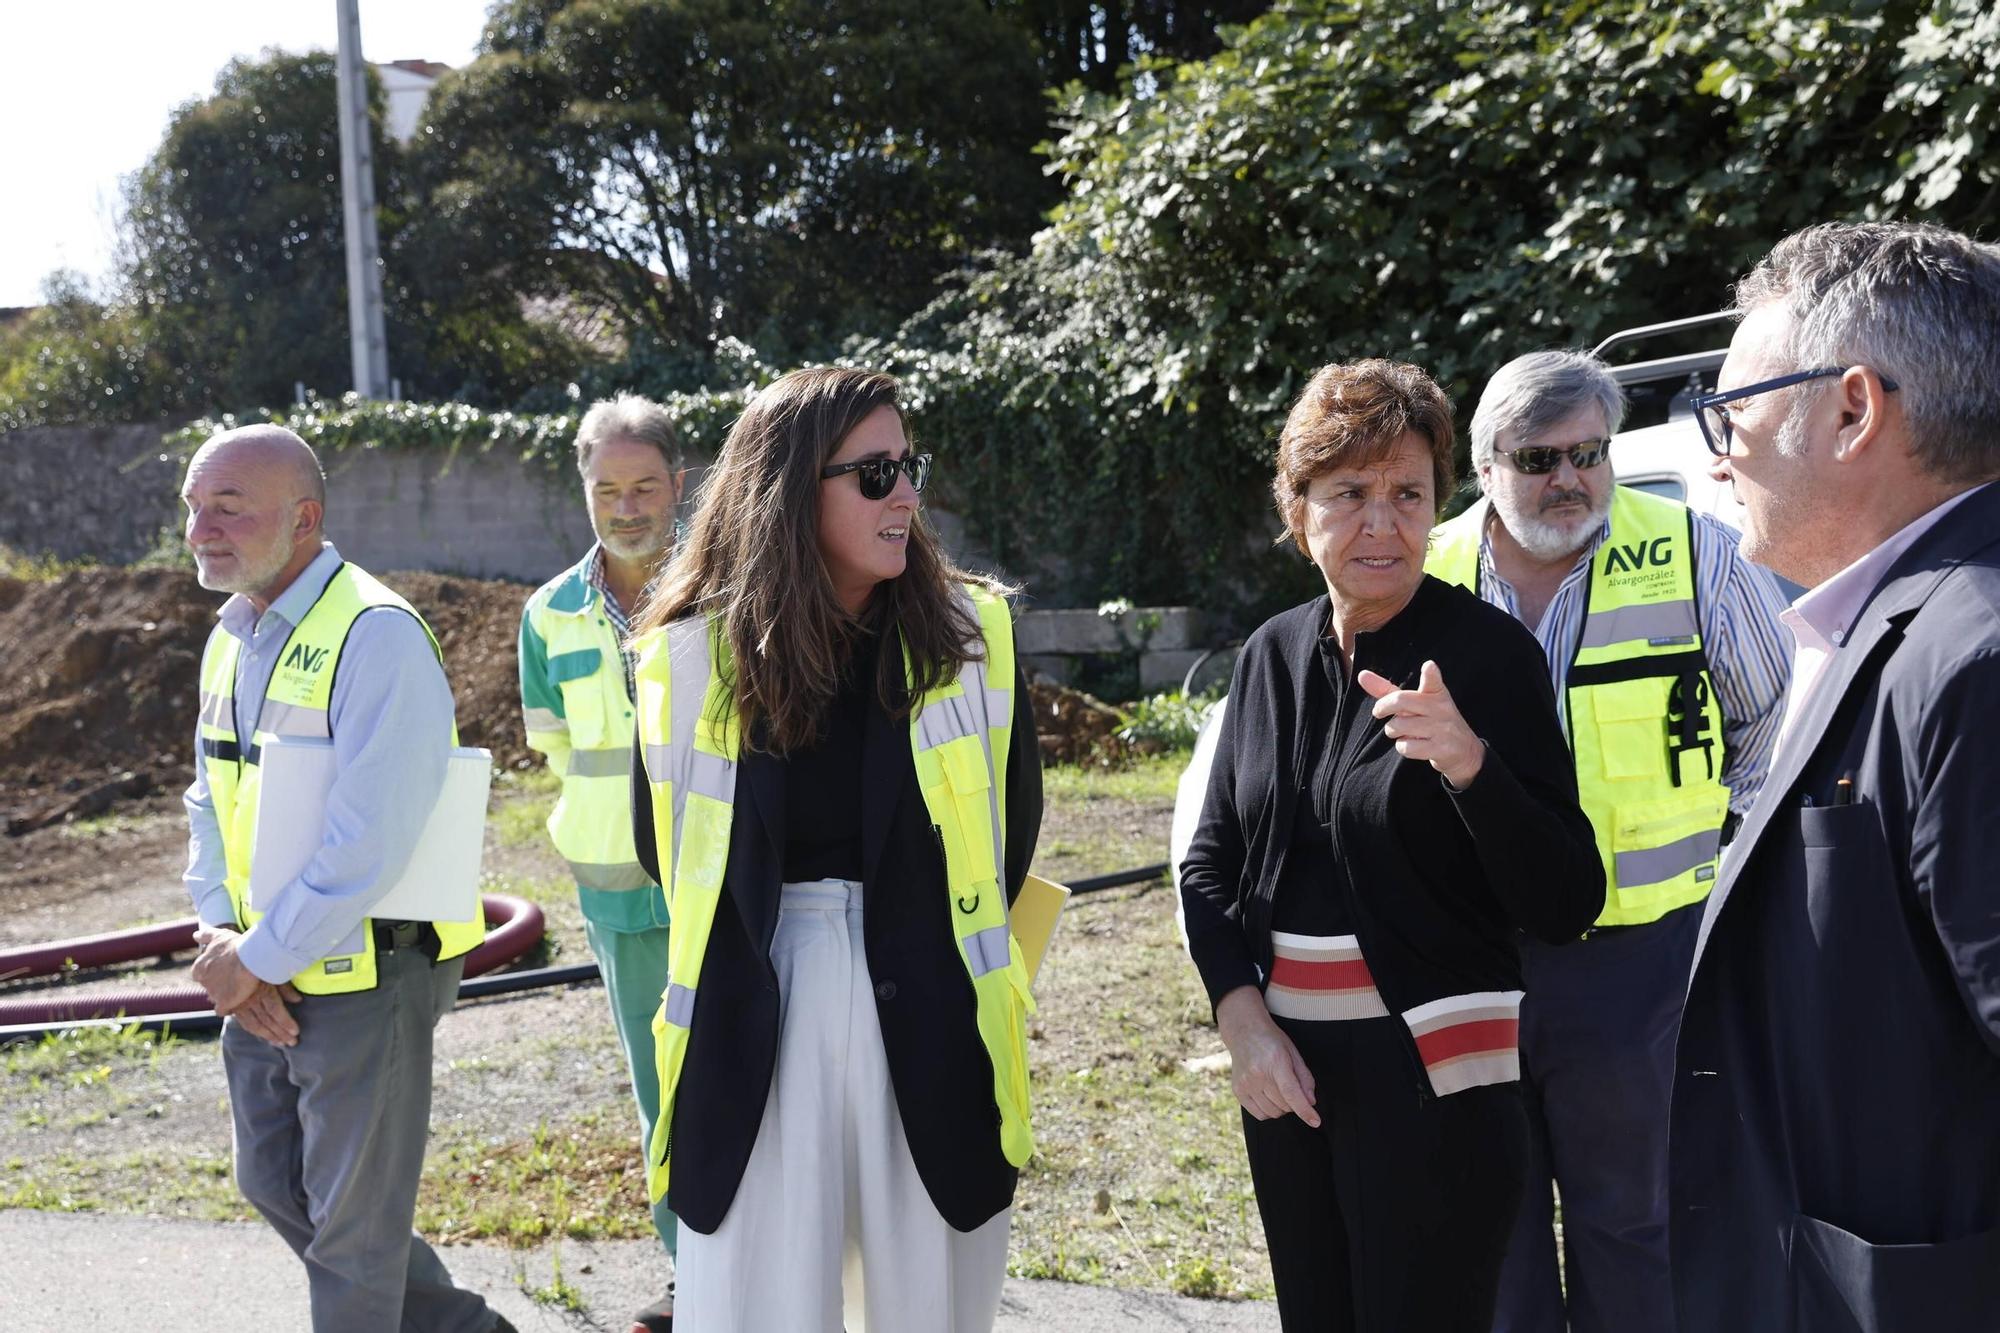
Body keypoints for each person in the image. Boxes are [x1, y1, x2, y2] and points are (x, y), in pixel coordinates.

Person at [1178, 359, 1604, 1331]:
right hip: (1289, 1084)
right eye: (1349, 494)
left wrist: (1467, 766)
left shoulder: (1485, 656)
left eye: (1406, 492)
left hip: (1436, 1088)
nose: (1382, 521)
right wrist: (1241, 1021)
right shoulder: (1270, 656)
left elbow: (1566, 897)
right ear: (1297, 511)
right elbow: (1208, 864)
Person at [625, 366, 1042, 1332]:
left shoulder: (971, 637)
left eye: (909, 468)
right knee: (765, 1301)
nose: (905, 495)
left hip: (931, 999)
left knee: (924, 1298)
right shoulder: (689, 657)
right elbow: (668, 851)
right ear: (788, 491)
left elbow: (1008, 839)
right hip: (757, 1006)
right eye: (873, 474)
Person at [1669, 221, 2000, 1331]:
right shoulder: (1899, 625)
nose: (1715, 456)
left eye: (1732, 415)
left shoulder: (1974, 658)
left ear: (1851, 409)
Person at [1422, 350, 1792, 1333]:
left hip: (1638, 969)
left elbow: (1774, 738)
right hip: (1471, 967)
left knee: (1636, 1229)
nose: (1568, 478)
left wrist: (1727, 904)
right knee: (1487, 1229)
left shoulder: (1694, 553)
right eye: (1538, 458)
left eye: (1589, 452)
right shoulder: (1425, 573)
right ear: (1485, 462)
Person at [179, 424, 512, 1332]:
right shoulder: (232, 638)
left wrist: (259, 956)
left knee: (352, 1242)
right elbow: (208, 801)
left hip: (370, 973)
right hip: (259, 967)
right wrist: (222, 940)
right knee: (276, 1183)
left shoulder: (377, 635)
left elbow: (372, 839)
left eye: (228, 507)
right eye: (193, 507)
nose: (200, 527)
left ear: (305, 517)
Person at [518, 393, 685, 1333]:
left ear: (678, 484)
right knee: (658, 1088)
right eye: (607, 489)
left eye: (645, 486)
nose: (627, 508)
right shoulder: (548, 615)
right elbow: (554, 746)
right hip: (618, 893)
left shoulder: (729, 586)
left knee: (754, 1071)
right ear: (584, 491)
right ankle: (690, 1269)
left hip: (724, 883)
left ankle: (774, 1263)